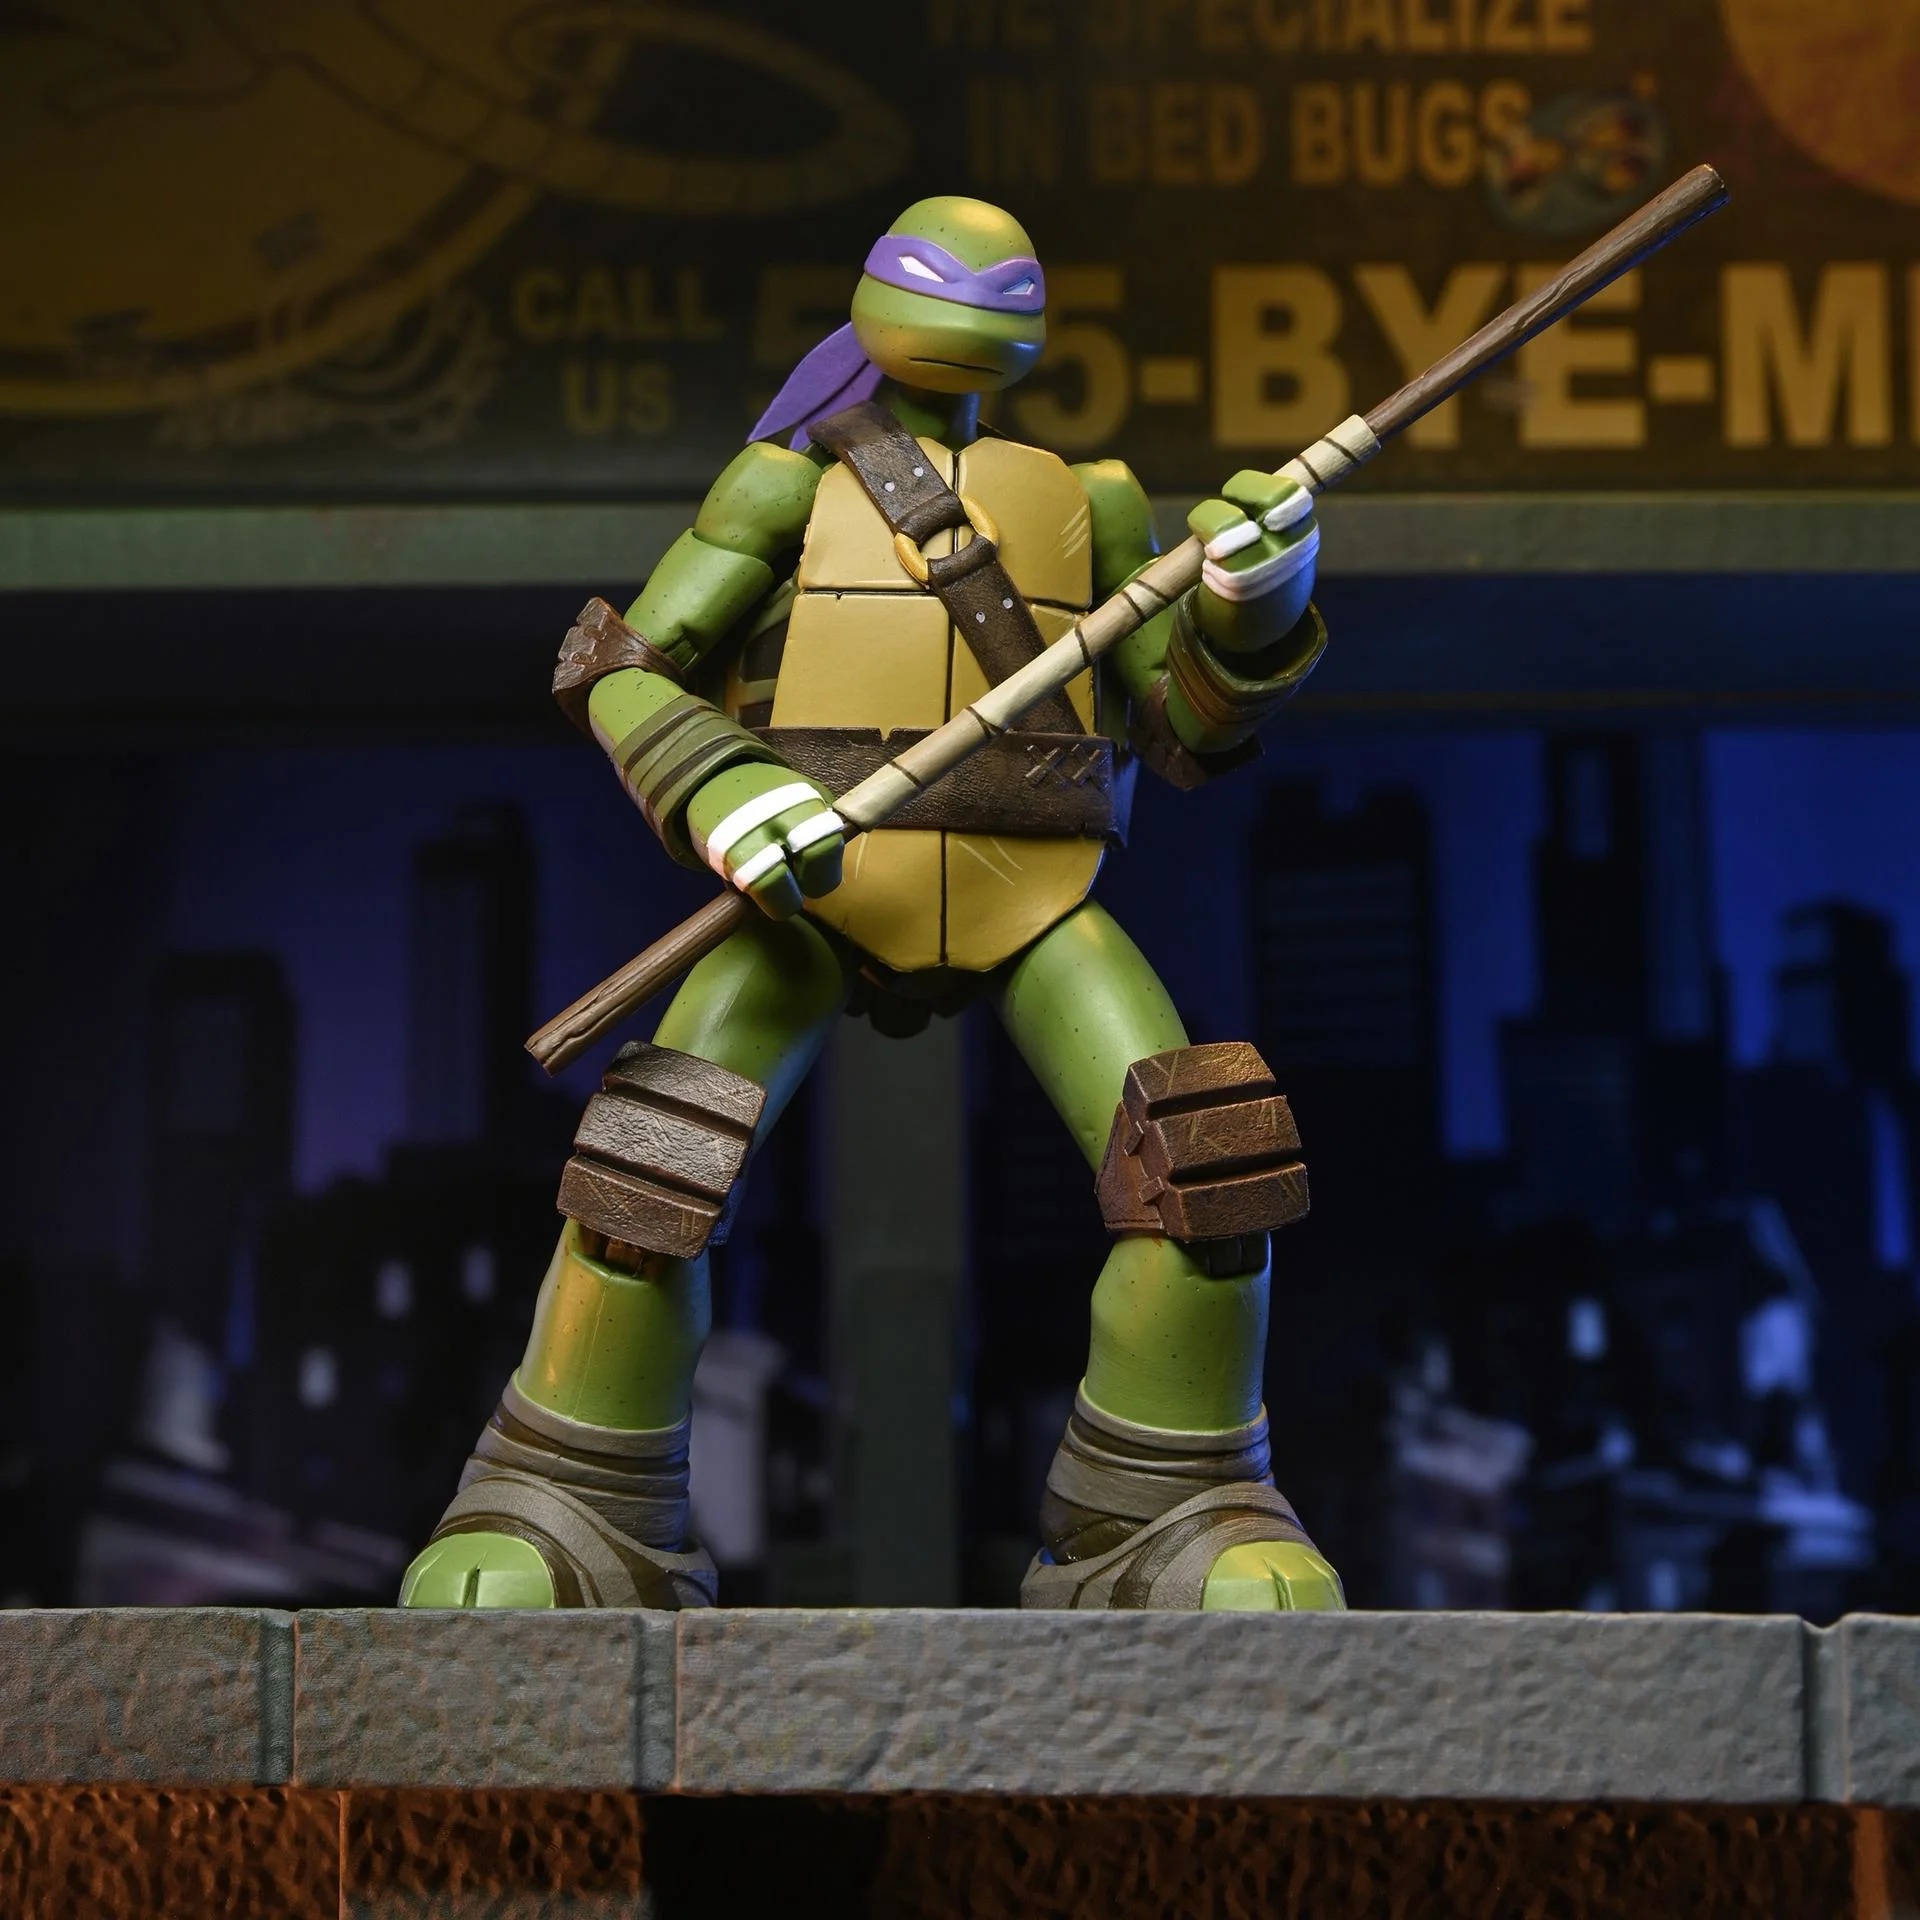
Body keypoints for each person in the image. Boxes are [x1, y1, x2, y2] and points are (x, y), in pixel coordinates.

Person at [399, 195, 1344, 1614]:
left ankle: (1176, 1507)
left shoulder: (1091, 504)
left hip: (1038, 888)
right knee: (648, 1174)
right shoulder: (782, 491)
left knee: (1207, 1157)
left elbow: (1181, 731)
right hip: (814, 892)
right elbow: (616, 667)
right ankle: (568, 1501)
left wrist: (1252, 606)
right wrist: (724, 789)